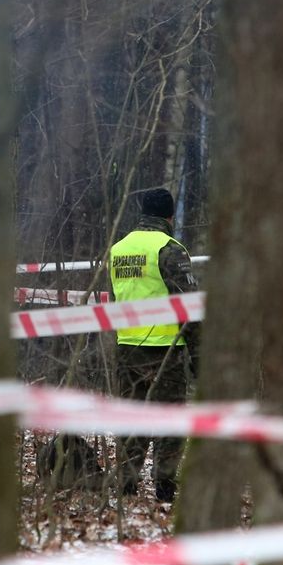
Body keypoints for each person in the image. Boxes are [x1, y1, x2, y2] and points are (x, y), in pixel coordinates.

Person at [108, 187, 200, 503]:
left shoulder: (118, 249)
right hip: (165, 348)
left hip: (126, 346)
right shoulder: (169, 248)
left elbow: (113, 299)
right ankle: (164, 486)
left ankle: (127, 484)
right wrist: (199, 355)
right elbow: (190, 307)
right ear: (170, 216)